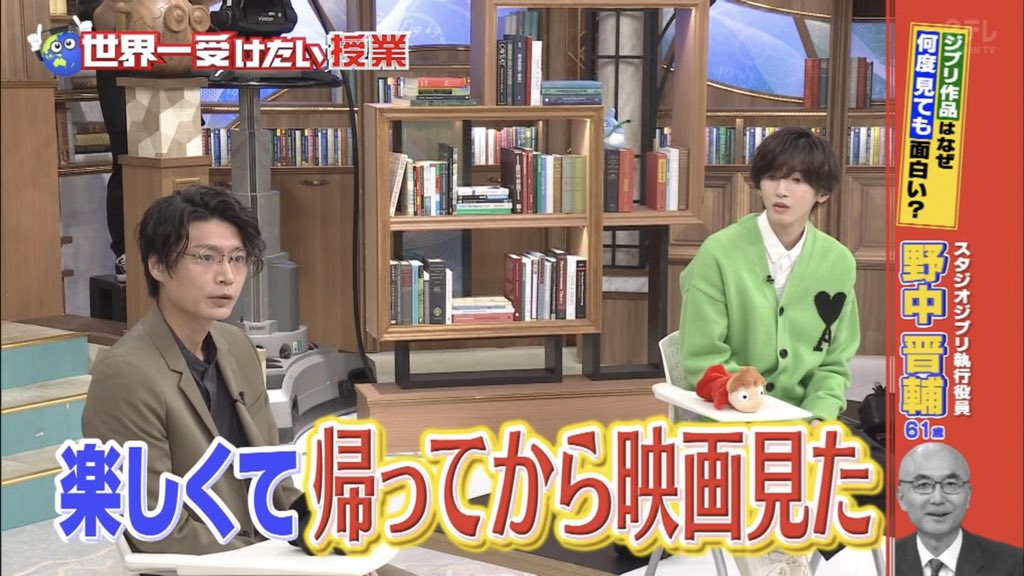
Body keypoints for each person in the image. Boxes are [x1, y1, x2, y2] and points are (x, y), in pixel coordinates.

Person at [677, 126, 879, 576]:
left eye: (799, 180)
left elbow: (834, 360)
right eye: (773, 176)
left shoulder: (838, 261)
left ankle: (789, 558)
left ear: (822, 193)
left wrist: (819, 415)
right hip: (728, 417)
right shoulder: (719, 253)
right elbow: (702, 357)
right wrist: (763, 414)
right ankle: (782, 563)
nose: (782, 190)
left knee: (867, 475)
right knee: (780, 478)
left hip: (805, 421)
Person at [895, 442, 1023, 576]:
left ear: (968, 495)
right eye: (923, 485)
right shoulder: (881, 562)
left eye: (951, 484)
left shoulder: (1015, 564)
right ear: (901, 498)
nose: (938, 499)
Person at [76, 0, 129, 282]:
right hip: (120, 76)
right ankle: (124, 251)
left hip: (171, 74)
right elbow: (100, 21)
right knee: (126, 164)